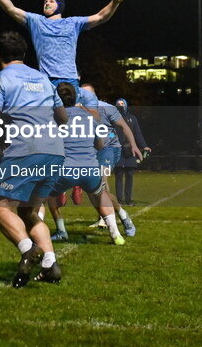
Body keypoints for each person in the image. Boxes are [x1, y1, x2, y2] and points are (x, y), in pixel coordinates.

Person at [0, 31, 67, 287]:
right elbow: (63, 117)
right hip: (55, 150)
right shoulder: (43, 78)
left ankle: (27, 250)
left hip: (26, 149)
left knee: (0, 209)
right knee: (29, 211)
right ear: (24, 53)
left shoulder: (1, 80)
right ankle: (50, 265)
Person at [0, 0, 125, 97]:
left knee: (70, 120)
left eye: (51, 1)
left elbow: (100, 17)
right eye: (45, 1)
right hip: (46, 80)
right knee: (48, 121)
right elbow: (11, 9)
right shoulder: (36, 21)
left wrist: (115, 2)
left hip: (70, 79)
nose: (47, 3)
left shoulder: (73, 23)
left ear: (59, 6)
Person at [48, 83, 125, 245]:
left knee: (48, 195)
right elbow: (100, 145)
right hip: (90, 168)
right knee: (101, 194)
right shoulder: (90, 116)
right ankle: (116, 234)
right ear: (76, 97)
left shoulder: (55, 118)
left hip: (66, 170)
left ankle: (61, 231)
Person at [80, 84, 140, 235]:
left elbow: (124, 126)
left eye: (87, 94)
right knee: (92, 189)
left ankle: (113, 219)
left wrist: (134, 145)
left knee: (102, 182)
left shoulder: (107, 108)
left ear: (94, 95)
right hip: (91, 150)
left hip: (110, 149)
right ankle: (121, 214)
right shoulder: (77, 109)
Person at [113, 98, 149, 203]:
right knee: (118, 176)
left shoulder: (132, 119)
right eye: (118, 104)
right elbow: (109, 133)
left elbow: (138, 133)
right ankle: (119, 200)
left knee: (129, 175)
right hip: (118, 151)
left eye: (122, 104)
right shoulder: (112, 119)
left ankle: (128, 200)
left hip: (130, 151)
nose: (120, 106)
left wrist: (144, 146)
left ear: (126, 105)